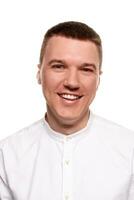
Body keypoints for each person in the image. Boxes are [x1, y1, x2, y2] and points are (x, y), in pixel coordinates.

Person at [0, 21, 134, 200]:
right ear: (39, 74)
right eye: (59, 66)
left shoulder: (129, 150)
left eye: (86, 69)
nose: (72, 82)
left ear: (98, 79)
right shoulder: (7, 155)